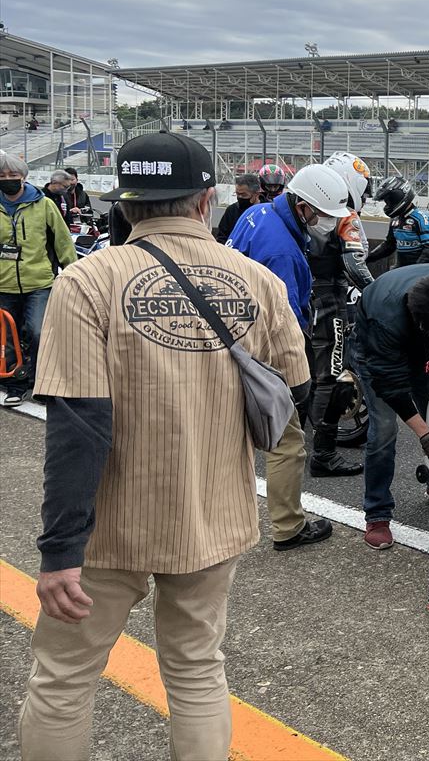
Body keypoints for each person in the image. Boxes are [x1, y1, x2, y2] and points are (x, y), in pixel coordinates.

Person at [18, 131, 311, 761]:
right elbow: (293, 391)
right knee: (197, 668)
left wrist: (59, 549)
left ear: (125, 206)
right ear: (206, 201)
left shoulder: (88, 281)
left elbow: (78, 425)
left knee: (64, 680)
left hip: (108, 525)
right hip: (212, 514)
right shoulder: (259, 282)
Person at [227, 163, 351, 549]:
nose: (328, 223)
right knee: (287, 442)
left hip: (228, 338)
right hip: (259, 353)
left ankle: (223, 518)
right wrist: (297, 383)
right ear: (303, 207)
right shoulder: (283, 252)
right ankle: (288, 527)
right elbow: (288, 325)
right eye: (324, 215)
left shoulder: (257, 214)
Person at [352, 262, 429, 549]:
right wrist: (424, 435)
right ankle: (377, 514)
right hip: (375, 354)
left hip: (422, 354)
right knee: (384, 429)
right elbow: (392, 388)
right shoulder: (385, 318)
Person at [301, 151, 376, 477]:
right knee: (330, 376)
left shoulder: (308, 209)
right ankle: (323, 453)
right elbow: (355, 264)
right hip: (330, 298)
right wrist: (377, 294)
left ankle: (295, 440)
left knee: (305, 369)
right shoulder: (344, 215)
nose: (366, 196)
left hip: (305, 294)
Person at [1, 152, 77, 406]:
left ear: (23, 176)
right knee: (7, 337)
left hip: (39, 282)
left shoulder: (44, 205)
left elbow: (63, 241)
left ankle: (41, 382)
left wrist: (73, 272)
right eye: (2, 175)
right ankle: (15, 383)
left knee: (38, 331)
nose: (8, 179)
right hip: (4, 284)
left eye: (13, 174)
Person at [369, 176, 429, 266]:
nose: (387, 205)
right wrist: (367, 258)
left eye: (389, 201)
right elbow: (389, 245)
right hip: (400, 268)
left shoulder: (421, 219)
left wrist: (411, 271)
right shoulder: (395, 219)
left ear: (398, 197)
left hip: (418, 270)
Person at [214, 172, 262, 244]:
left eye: (244, 195)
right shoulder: (231, 211)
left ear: (256, 194)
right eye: (237, 194)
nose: (240, 197)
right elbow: (222, 237)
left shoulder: (266, 211)